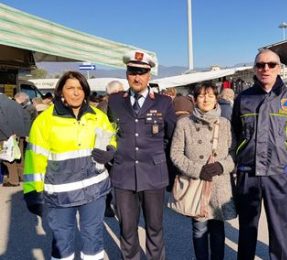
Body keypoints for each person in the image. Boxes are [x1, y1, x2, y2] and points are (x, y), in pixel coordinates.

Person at [23, 71, 117, 259]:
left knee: (94, 239)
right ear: (60, 91)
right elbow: (35, 158)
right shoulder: (44, 121)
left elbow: (111, 138)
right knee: (61, 242)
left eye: (80, 88)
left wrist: (110, 150)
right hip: (60, 194)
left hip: (94, 191)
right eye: (70, 88)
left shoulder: (98, 116)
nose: (76, 93)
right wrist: (33, 192)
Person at [231, 49, 287, 260]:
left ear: (279, 68)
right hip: (248, 173)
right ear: (255, 69)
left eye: (271, 64)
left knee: (280, 230)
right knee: (247, 228)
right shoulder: (243, 98)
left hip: (278, 174)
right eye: (261, 65)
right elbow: (235, 133)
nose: (266, 69)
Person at [107, 49, 176, 260]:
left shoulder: (164, 102)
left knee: (154, 228)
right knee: (127, 230)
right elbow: (108, 134)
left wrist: (170, 173)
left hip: (153, 174)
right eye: (132, 72)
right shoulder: (115, 101)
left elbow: (171, 137)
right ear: (126, 74)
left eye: (142, 72)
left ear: (149, 75)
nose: (137, 77)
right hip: (123, 174)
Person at [170, 83, 236, 260]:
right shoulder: (184, 123)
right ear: (195, 99)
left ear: (217, 99)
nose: (205, 99)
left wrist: (222, 166)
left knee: (217, 228)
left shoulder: (225, 124)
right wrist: (197, 170)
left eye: (210, 95)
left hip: (219, 184)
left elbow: (234, 153)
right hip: (196, 182)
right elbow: (175, 153)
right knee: (199, 228)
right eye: (201, 96)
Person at [96, 80, 125, 217]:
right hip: (110, 147)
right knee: (110, 179)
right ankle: (110, 206)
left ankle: (115, 207)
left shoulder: (105, 105)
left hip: (116, 146)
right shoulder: (104, 106)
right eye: (121, 91)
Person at [0, 93, 31, 187]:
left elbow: (1, 121)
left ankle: (13, 180)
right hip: (20, 133)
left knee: (7, 157)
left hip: (6, 135)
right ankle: (21, 176)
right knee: (19, 155)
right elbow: (27, 117)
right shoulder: (14, 103)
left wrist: (10, 134)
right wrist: (24, 132)